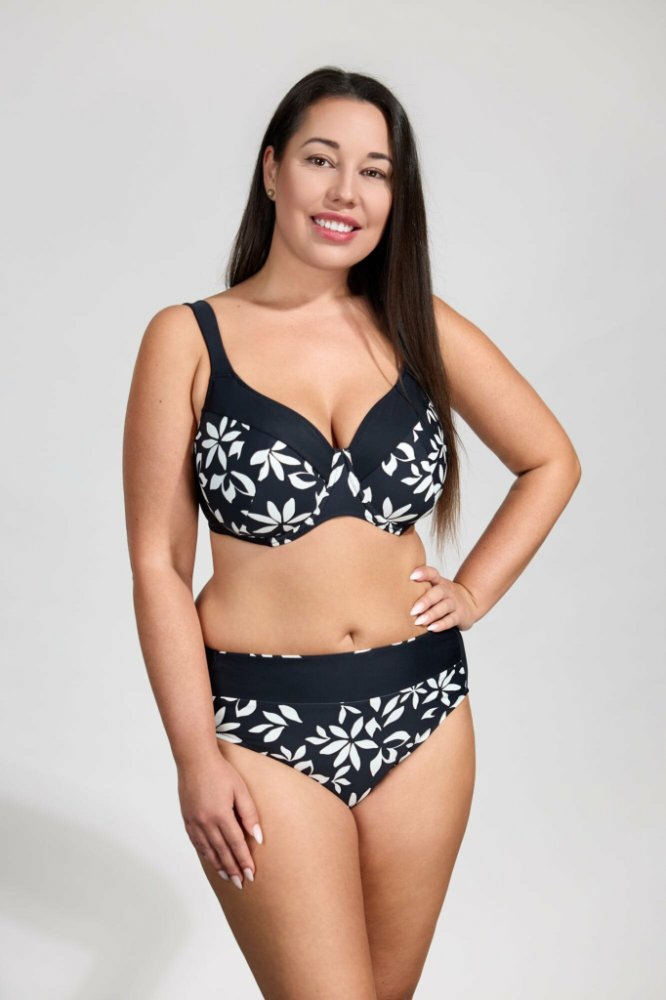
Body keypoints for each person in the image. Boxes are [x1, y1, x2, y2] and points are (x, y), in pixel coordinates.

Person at [122, 66, 581, 1000]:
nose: (346, 192)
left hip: (425, 714)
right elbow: (159, 564)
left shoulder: (418, 327)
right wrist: (194, 758)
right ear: (272, 171)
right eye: (321, 160)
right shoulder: (188, 338)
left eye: (375, 172)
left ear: (395, 197)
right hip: (262, 726)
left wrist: (474, 590)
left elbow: (551, 460)